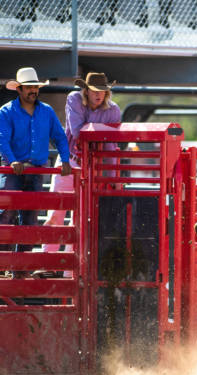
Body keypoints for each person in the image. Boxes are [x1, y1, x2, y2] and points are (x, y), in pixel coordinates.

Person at [34, 72, 121, 279]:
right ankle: (48, 263)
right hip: (70, 161)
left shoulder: (113, 110)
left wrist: (113, 177)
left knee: (80, 217)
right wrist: (102, 134)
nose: (99, 95)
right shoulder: (74, 99)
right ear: (86, 90)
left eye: (102, 91)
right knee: (56, 213)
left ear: (106, 92)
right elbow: (77, 131)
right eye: (94, 90)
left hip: (93, 167)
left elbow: (112, 146)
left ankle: (68, 269)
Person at [0, 67, 70, 276]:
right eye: (29, 87)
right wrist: (13, 161)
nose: (33, 90)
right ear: (19, 89)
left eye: (35, 87)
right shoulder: (6, 111)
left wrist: (65, 159)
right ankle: (4, 264)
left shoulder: (46, 111)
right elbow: (2, 140)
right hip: (13, 170)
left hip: (36, 170)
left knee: (30, 220)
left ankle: (20, 268)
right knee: (7, 214)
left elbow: (59, 136)